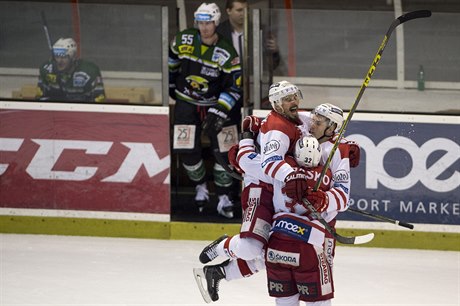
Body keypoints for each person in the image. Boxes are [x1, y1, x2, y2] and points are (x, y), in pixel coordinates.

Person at [194, 81, 359, 302]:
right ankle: (225, 247)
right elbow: (265, 164)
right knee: (254, 248)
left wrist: (324, 199)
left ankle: (221, 272)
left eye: (318, 122)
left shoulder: (335, 147)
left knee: (272, 254)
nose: (311, 122)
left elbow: (343, 196)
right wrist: (245, 147)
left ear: (331, 129)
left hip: (317, 219)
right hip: (265, 191)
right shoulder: (284, 129)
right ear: (277, 105)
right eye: (287, 99)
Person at [169, 2, 242, 218]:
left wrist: (218, 112)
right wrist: (172, 85)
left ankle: (223, 196)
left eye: (208, 22)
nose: (204, 27)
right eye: (200, 22)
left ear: (216, 22)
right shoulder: (184, 40)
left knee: (228, 151)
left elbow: (235, 87)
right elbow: (171, 59)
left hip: (217, 105)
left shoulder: (227, 52)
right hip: (186, 102)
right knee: (185, 149)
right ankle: (200, 187)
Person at [36, 38, 106, 102]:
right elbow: (40, 100)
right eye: (57, 56)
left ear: (73, 57)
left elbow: (99, 100)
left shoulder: (90, 71)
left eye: (64, 57)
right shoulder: (46, 70)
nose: (59, 61)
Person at [216, 0, 281, 68]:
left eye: (246, 10)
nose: (244, 13)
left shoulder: (260, 30)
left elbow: (272, 65)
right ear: (228, 11)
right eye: (239, 10)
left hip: (252, 77)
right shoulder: (218, 32)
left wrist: (275, 52)